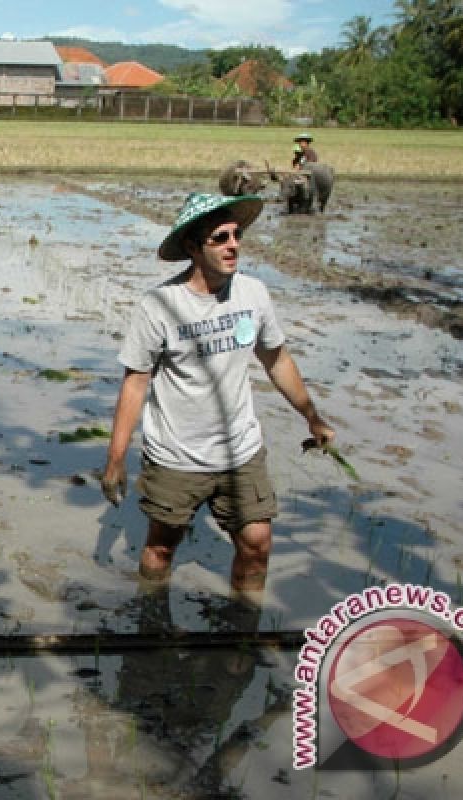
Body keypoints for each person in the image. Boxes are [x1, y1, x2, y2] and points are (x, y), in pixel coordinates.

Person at [100, 192, 334, 595]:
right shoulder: (159, 306)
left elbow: (276, 359)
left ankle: (243, 631)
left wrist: (311, 415)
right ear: (193, 247)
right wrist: (116, 458)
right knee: (161, 546)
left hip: (240, 451)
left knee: (257, 542)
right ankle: (151, 627)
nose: (233, 245)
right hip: (177, 455)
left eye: (236, 235)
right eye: (220, 238)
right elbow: (135, 382)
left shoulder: (253, 294)